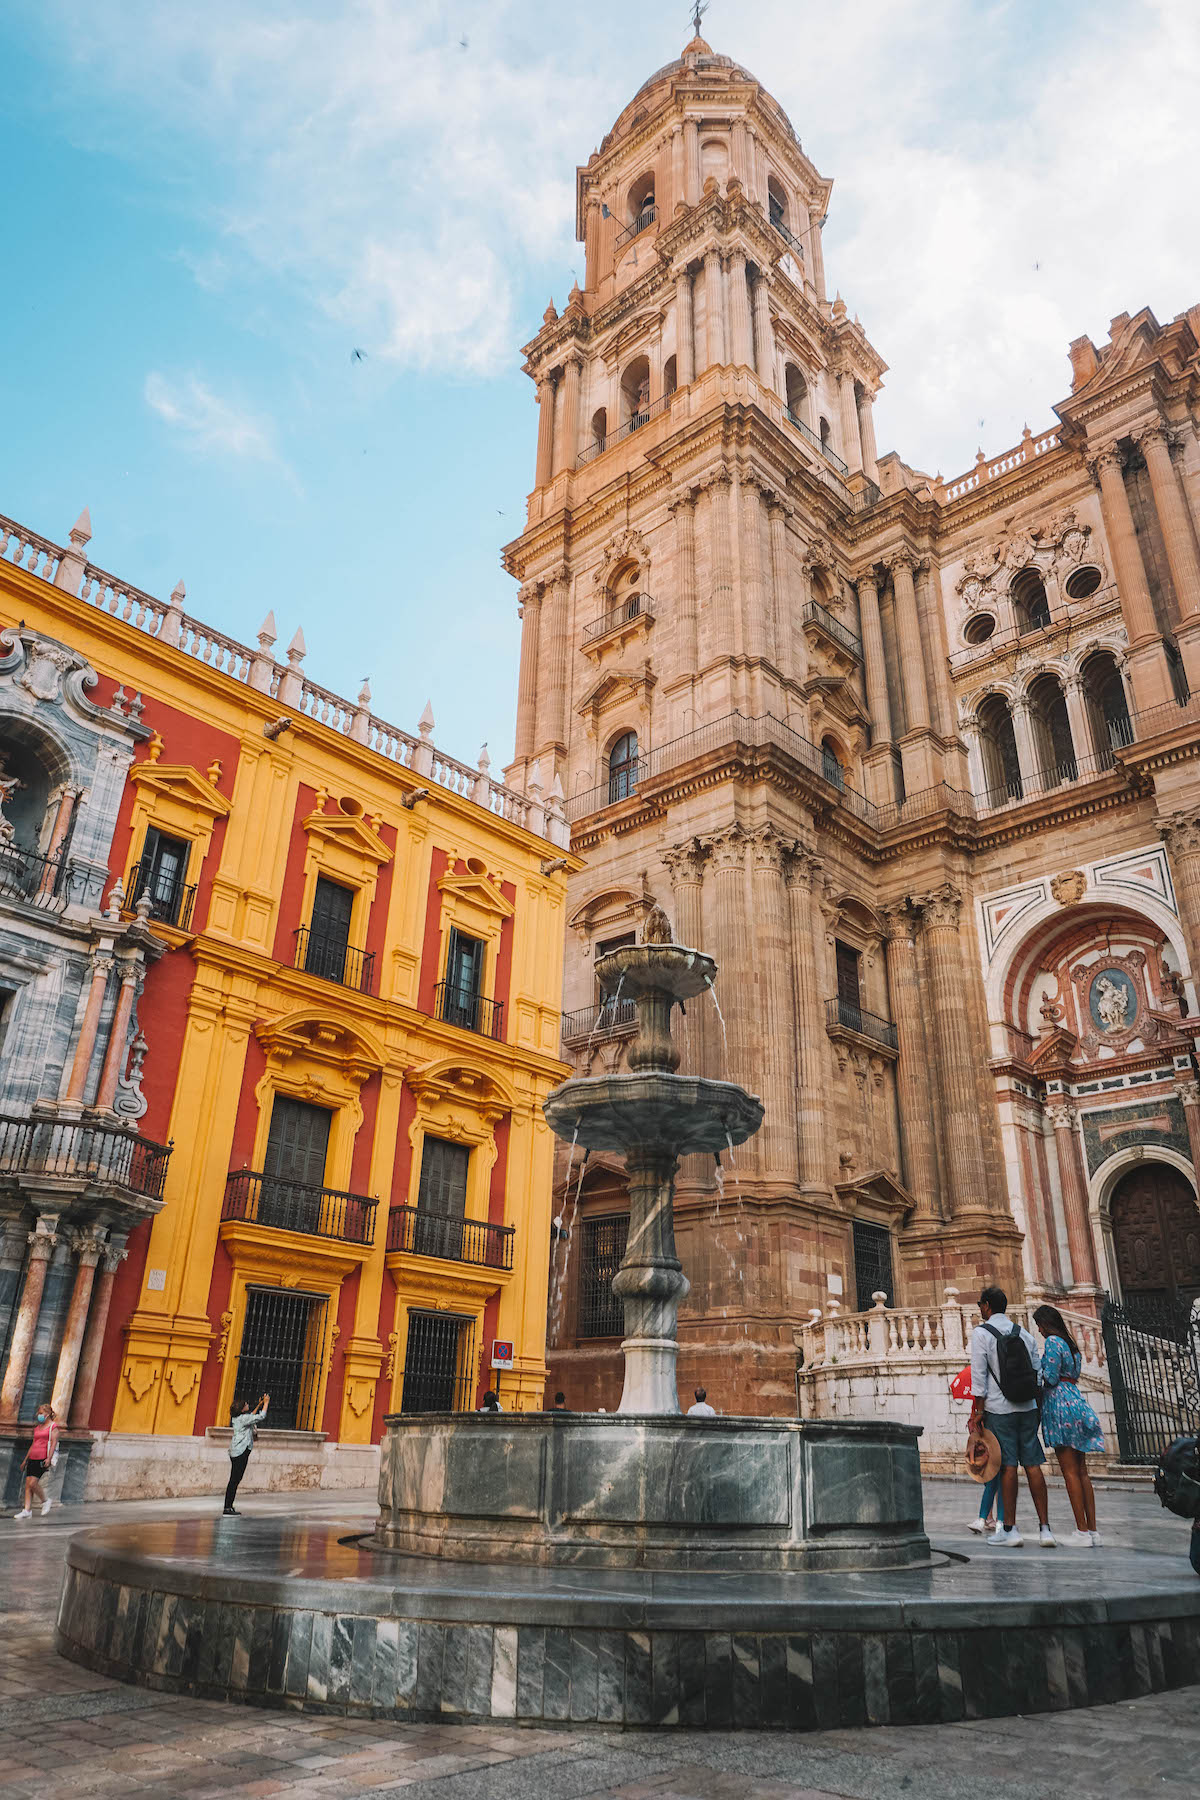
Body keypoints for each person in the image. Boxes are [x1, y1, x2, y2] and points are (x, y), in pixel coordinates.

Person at [969, 1286, 1055, 1547]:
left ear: (986, 1306)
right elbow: (1038, 1372)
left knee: (1007, 1466)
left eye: (980, 1305)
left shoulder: (981, 1334)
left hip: (999, 1409)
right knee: (1032, 1465)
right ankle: (1045, 1530)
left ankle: (1010, 1529)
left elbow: (979, 1377)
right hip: (1027, 1407)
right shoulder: (1025, 1334)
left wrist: (978, 1413)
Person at [1033, 1304, 1106, 1547]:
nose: (1040, 1331)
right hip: (1076, 1400)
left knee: (1070, 1472)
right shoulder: (1071, 1344)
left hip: (1059, 1404)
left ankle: (1081, 1531)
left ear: (1046, 1324)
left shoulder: (1053, 1342)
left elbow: (1051, 1377)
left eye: (1040, 1325)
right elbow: (1072, 1373)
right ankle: (1093, 1530)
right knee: (1082, 1471)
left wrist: (1039, 1368)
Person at [224, 1392, 268, 1515]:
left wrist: (259, 1405)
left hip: (237, 1451)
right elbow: (261, 1416)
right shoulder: (243, 1419)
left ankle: (229, 1506)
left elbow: (252, 1415)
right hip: (240, 1451)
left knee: (235, 1479)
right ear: (242, 1408)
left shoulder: (239, 1418)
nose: (248, 1404)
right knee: (234, 1480)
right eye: (246, 1404)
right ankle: (227, 1507)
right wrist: (266, 1403)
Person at [14, 1401, 59, 1519]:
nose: (38, 1415)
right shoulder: (38, 1428)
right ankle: (27, 1510)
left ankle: (45, 1500)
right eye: (38, 1413)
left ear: (48, 1414)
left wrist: (49, 1458)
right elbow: (33, 1444)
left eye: (41, 1413)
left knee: (33, 1483)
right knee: (28, 1484)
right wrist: (25, 1460)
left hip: (43, 1458)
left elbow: (54, 1443)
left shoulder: (53, 1427)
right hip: (33, 1457)